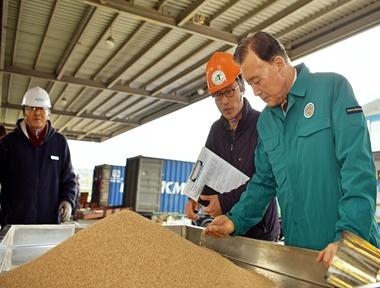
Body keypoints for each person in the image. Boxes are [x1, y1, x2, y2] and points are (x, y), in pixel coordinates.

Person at [204, 31, 380, 267]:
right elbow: (264, 182)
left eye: (257, 80)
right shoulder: (267, 122)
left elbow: (358, 170)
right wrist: (234, 220)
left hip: (350, 251)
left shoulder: (332, 90)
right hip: (300, 255)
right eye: (249, 84)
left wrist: (349, 238)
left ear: (278, 64)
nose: (254, 91)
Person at [185, 52, 280, 241]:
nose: (225, 101)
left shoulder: (263, 124)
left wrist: (225, 201)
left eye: (229, 91)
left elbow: (265, 180)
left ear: (242, 86)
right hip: (225, 226)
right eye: (218, 96)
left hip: (260, 231)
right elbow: (204, 169)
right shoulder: (216, 130)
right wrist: (193, 197)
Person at [0, 87, 76, 228]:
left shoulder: (59, 143)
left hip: (49, 224)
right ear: (24, 112)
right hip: (13, 223)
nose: (37, 113)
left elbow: (69, 179)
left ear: (49, 113)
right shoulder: (8, 143)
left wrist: (68, 200)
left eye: (42, 109)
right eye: (32, 108)